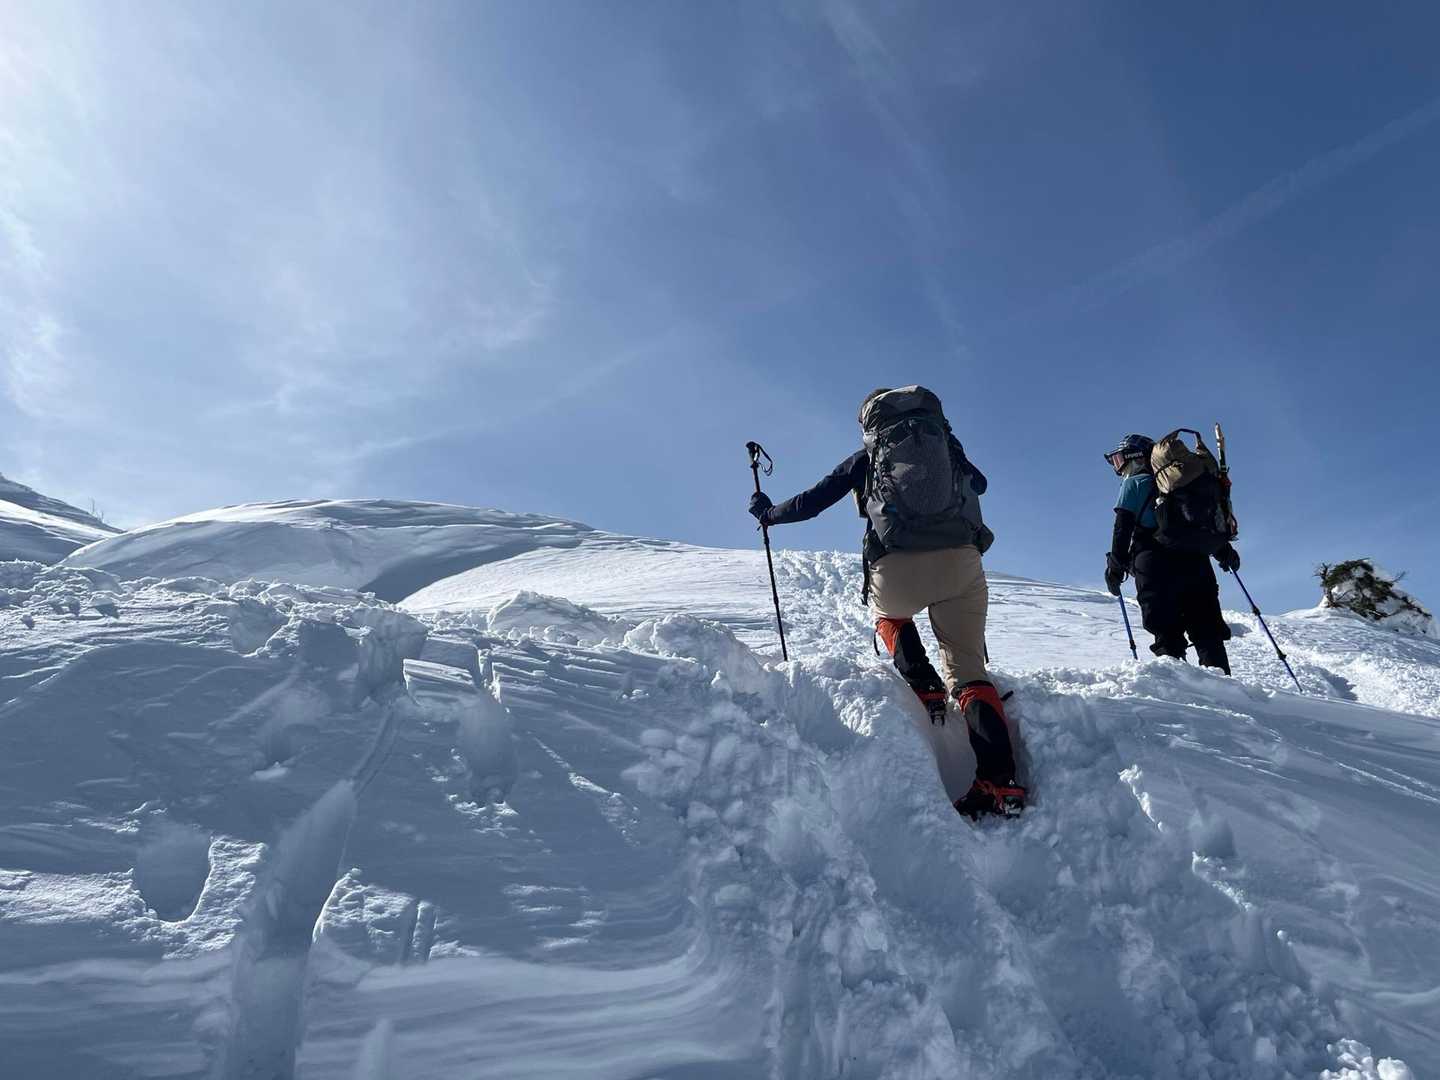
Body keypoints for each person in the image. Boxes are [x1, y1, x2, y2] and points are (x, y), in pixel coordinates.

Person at [749, 386, 1024, 818]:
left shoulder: (868, 457)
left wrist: (768, 513)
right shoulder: (948, 449)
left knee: (889, 615)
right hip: (962, 562)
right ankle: (1000, 783)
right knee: (969, 670)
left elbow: (812, 502)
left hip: (897, 565)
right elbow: (981, 484)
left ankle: (924, 684)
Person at [1103, 433, 1240, 673]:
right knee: (1207, 630)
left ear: (1135, 457)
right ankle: (1225, 685)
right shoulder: (1184, 483)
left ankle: (1180, 690)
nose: (1119, 467)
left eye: (1119, 459)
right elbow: (1199, 524)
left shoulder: (1134, 483)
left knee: (1166, 631)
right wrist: (1224, 551)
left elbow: (1122, 527)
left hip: (1154, 566)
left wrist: (1115, 567)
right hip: (1196, 563)